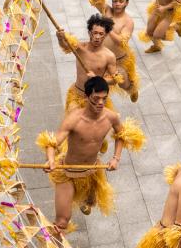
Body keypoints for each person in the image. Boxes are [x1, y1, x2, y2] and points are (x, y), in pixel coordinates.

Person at [38, 76, 144, 227]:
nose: (100, 102)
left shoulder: (111, 117)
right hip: (68, 172)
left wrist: (116, 158)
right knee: (62, 220)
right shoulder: (74, 119)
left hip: (92, 171)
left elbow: (122, 135)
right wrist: (50, 160)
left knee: (91, 202)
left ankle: (85, 200)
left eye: (104, 98)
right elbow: (51, 142)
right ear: (87, 97)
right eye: (96, 98)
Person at [56, 15, 119, 113]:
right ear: (90, 33)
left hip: (96, 98)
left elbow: (115, 79)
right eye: (95, 33)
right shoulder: (80, 47)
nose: (97, 37)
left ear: (106, 35)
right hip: (77, 95)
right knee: (72, 117)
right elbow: (66, 46)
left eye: (101, 34)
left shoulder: (109, 56)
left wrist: (97, 79)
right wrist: (60, 38)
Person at [89, 0, 139, 102]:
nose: (117, 4)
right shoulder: (106, 10)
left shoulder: (128, 21)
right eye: (115, 1)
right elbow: (95, 0)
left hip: (119, 60)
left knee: (123, 83)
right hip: (102, 57)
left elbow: (121, 42)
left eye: (121, 1)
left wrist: (109, 28)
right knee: (96, 84)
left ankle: (131, 89)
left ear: (126, 3)